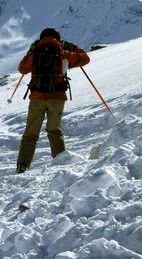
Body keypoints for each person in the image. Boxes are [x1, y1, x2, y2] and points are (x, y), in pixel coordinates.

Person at [15, 27, 90, 173]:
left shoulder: (36, 53)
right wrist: (71, 47)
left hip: (37, 98)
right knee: (54, 131)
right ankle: (61, 166)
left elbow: (22, 69)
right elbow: (85, 58)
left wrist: (31, 51)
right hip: (57, 97)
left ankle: (22, 167)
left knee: (30, 134)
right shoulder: (63, 52)